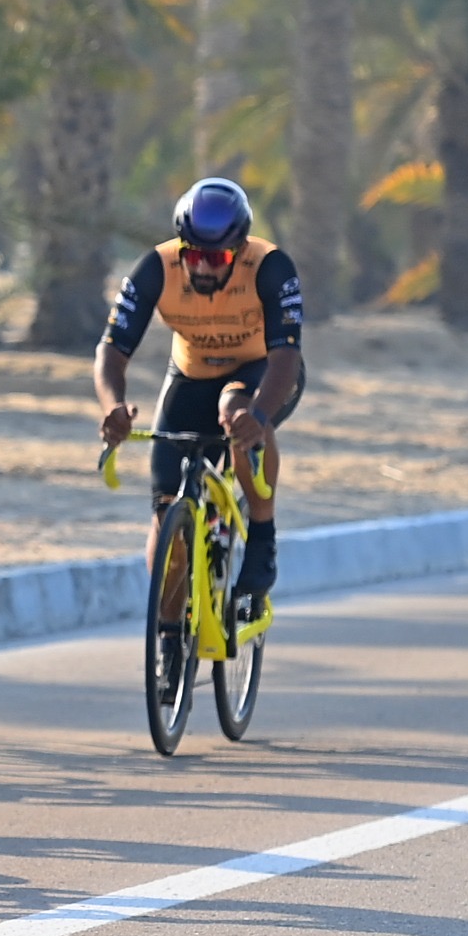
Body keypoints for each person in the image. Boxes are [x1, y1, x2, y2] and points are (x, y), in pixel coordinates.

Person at [95, 177, 304, 635]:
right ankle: (169, 639)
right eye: (194, 254)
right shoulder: (156, 267)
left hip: (259, 373)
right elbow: (112, 349)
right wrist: (113, 406)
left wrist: (260, 418)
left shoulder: (270, 267)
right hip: (190, 377)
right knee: (166, 509)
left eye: (219, 258)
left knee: (236, 413)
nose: (204, 268)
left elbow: (287, 356)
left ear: (240, 248)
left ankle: (263, 538)